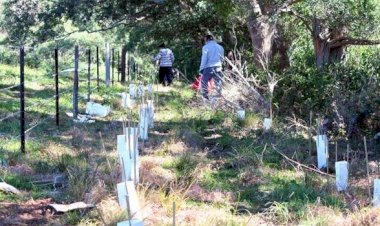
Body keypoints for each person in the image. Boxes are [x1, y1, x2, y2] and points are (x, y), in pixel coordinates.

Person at [199, 35, 224, 100]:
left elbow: (204, 59)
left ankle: (205, 97)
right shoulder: (220, 47)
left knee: (204, 81)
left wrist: (201, 68)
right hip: (218, 66)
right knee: (218, 82)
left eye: (205, 40)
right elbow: (222, 58)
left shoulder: (206, 47)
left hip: (209, 67)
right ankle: (218, 97)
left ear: (207, 40)